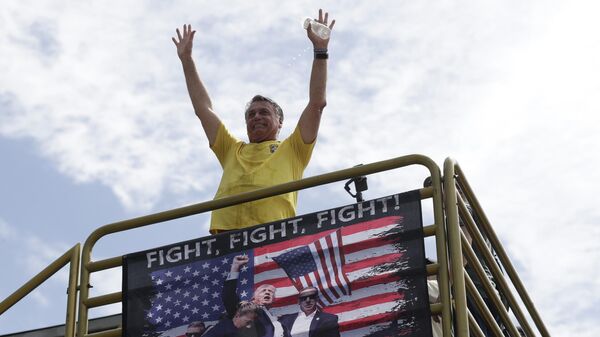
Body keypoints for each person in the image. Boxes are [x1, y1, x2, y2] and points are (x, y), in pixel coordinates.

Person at [172, 9, 336, 233]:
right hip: (226, 239)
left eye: (264, 113)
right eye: (251, 114)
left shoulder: (294, 149)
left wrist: (320, 51)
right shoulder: (232, 149)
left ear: (279, 123)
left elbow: (317, 103)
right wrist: (187, 61)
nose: (256, 117)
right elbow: (203, 109)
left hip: (273, 237)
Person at [222, 255, 285, 337]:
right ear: (254, 296)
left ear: (274, 298)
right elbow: (228, 296)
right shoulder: (244, 309)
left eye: (270, 291)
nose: (267, 293)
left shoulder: (277, 316)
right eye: (263, 290)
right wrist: (235, 268)